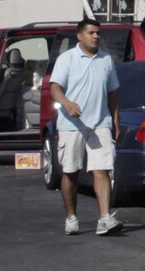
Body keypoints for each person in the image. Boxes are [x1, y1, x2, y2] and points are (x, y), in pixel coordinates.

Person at [47, 18, 122, 236]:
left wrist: (115, 120)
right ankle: (71, 217)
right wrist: (67, 104)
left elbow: (114, 92)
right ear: (80, 36)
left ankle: (104, 219)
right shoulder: (67, 59)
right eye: (91, 33)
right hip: (72, 124)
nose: (96, 36)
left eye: (98, 33)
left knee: (102, 169)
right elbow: (55, 88)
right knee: (70, 172)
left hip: (100, 123)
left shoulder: (106, 60)